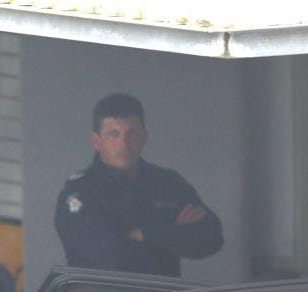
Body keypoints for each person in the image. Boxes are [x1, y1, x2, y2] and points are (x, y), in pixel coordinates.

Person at [54, 93, 223, 277]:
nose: (124, 144)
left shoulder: (167, 182)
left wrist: (144, 234)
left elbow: (212, 238)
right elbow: (115, 259)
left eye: (131, 134)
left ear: (144, 137)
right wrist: (173, 233)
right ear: (97, 141)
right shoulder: (79, 194)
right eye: (113, 135)